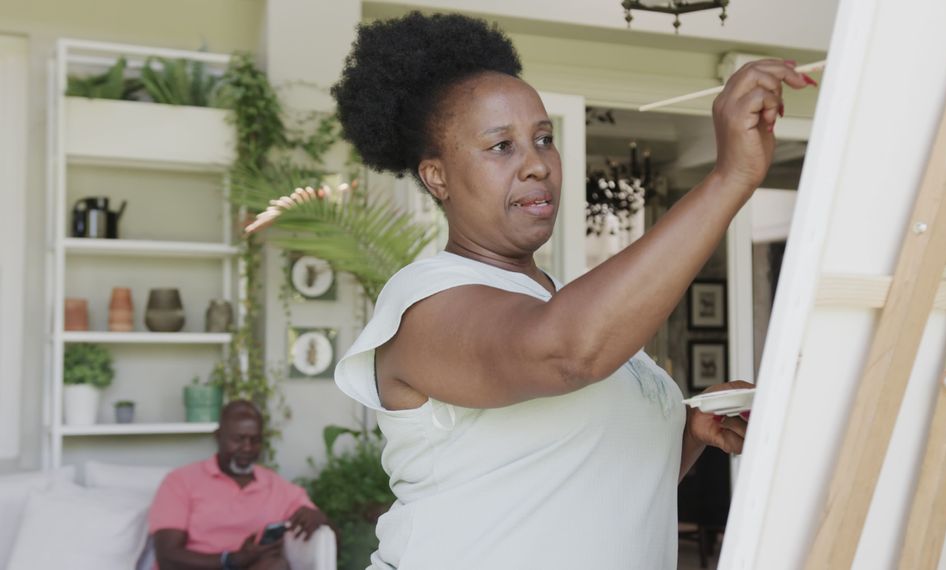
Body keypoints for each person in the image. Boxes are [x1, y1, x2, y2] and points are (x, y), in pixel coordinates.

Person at [333, 11, 813, 570]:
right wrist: (728, 178)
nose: (537, 164)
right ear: (436, 176)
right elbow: (567, 353)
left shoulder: (558, 302)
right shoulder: (425, 303)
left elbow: (592, 476)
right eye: (501, 147)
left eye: (543, 139)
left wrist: (690, 431)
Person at [148, 400, 329, 570]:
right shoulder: (180, 482)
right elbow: (168, 557)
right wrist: (232, 560)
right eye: (238, 439)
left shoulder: (279, 488)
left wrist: (320, 519)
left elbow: (330, 538)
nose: (247, 448)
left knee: (275, 565)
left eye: (255, 440)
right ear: (218, 437)